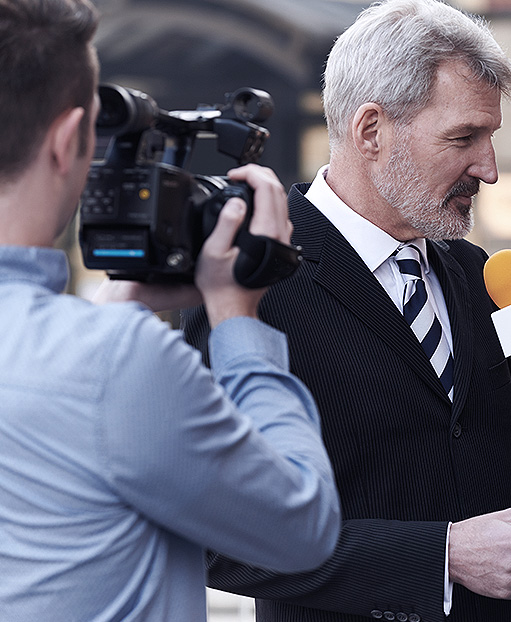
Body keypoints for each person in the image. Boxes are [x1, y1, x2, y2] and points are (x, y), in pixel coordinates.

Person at [181, 0, 511, 620]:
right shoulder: (246, 280)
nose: (489, 169)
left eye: (491, 137)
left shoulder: (475, 272)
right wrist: (438, 558)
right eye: (464, 138)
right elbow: (215, 532)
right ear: (371, 131)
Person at [0, 1, 341, 620]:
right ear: (67, 141)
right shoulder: (115, 360)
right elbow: (304, 524)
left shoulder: (94, 349)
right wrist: (237, 315)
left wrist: (118, 304)